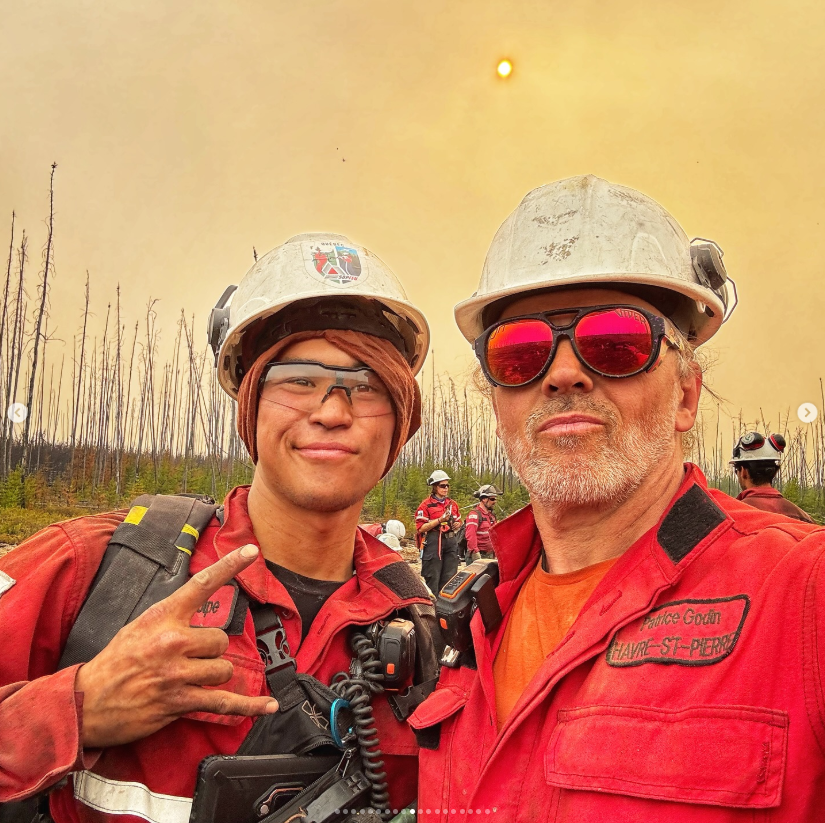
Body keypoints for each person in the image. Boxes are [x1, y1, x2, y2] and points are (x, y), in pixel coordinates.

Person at [410, 176, 825, 821]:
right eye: (520, 355)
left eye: (615, 343)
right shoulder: (462, 630)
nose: (564, 373)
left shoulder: (804, 592)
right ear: (497, 405)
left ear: (686, 395)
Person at [0, 232, 441, 822]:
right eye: (299, 379)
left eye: (366, 387)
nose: (333, 412)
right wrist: (76, 707)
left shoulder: (424, 626)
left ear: (400, 422)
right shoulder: (98, 567)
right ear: (251, 405)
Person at [731, 431, 815, 522]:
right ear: (775, 472)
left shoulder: (731, 519)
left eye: (736, 471)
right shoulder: (804, 518)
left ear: (743, 471)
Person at [415, 471, 461, 595]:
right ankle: (432, 608)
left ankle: (445, 609)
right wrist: (440, 520)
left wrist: (457, 524)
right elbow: (421, 528)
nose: (446, 488)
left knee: (450, 578)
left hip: (451, 542)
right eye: (442, 486)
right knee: (433, 577)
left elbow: (458, 521)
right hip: (434, 542)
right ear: (435, 487)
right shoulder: (425, 505)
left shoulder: (452, 504)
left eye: (447, 485)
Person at [464, 484, 500, 562]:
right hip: (479, 555)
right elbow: (470, 535)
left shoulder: (492, 516)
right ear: (484, 499)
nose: (495, 502)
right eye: (492, 499)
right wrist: (475, 553)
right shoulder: (474, 515)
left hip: (490, 555)